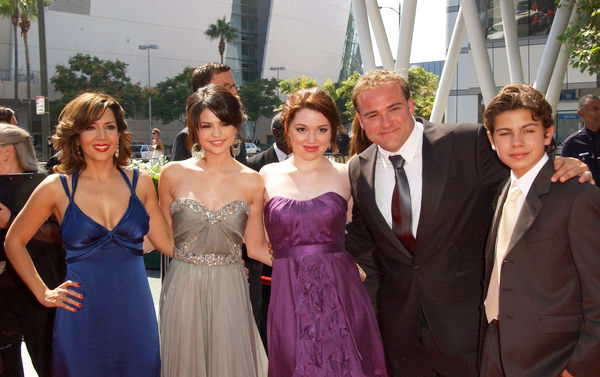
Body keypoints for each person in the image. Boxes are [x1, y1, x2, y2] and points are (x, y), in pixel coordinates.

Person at [344, 69, 591, 377]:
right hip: (400, 339)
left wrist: (562, 162)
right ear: (360, 120)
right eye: (372, 114)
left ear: (410, 105)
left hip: (468, 333)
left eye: (393, 109)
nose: (385, 122)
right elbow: (364, 247)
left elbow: (525, 172)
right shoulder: (358, 169)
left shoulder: (466, 142)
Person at [4, 92, 174, 377]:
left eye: (110, 126)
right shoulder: (56, 187)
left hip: (136, 316)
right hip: (80, 314)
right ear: (76, 134)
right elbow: (14, 241)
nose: (102, 135)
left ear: (120, 133)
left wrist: (223, 257)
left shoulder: (140, 183)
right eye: (90, 127)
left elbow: (168, 244)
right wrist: (43, 292)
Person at [260, 87, 388, 377]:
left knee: (347, 362)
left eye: (321, 129)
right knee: (295, 362)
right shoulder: (266, 175)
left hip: (342, 292)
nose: (311, 138)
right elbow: (259, 244)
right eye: (302, 129)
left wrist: (355, 266)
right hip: (288, 293)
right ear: (287, 130)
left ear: (333, 131)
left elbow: (365, 233)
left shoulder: (348, 174)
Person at [480, 83, 600, 377]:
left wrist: (579, 369)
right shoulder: (503, 189)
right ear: (492, 140)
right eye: (505, 133)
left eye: (528, 130)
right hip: (495, 352)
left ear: (548, 134)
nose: (517, 142)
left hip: (554, 361)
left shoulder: (578, 195)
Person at [158, 84, 270, 377]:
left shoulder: (253, 181)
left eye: (224, 124)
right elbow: (163, 238)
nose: (217, 134)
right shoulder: (173, 174)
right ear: (194, 129)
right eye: (206, 125)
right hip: (183, 283)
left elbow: (257, 248)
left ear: (237, 126)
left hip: (230, 284)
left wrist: (319, 267)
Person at [0, 122, 64, 377]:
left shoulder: (45, 184)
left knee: (47, 358)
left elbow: (60, 233)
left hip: (40, 283)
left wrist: (11, 221)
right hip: (4, 287)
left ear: (7, 151)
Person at [246, 111, 291, 347]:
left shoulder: (310, 165)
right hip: (261, 264)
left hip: (297, 262)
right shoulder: (254, 166)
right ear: (275, 133)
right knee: (264, 327)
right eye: (289, 128)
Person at [171, 62, 247, 164]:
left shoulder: (234, 134)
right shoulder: (186, 137)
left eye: (233, 86)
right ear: (204, 91)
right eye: (226, 86)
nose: (234, 92)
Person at [561, 94, 600, 186]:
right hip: (587, 198)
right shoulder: (571, 143)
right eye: (595, 109)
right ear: (581, 113)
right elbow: (564, 175)